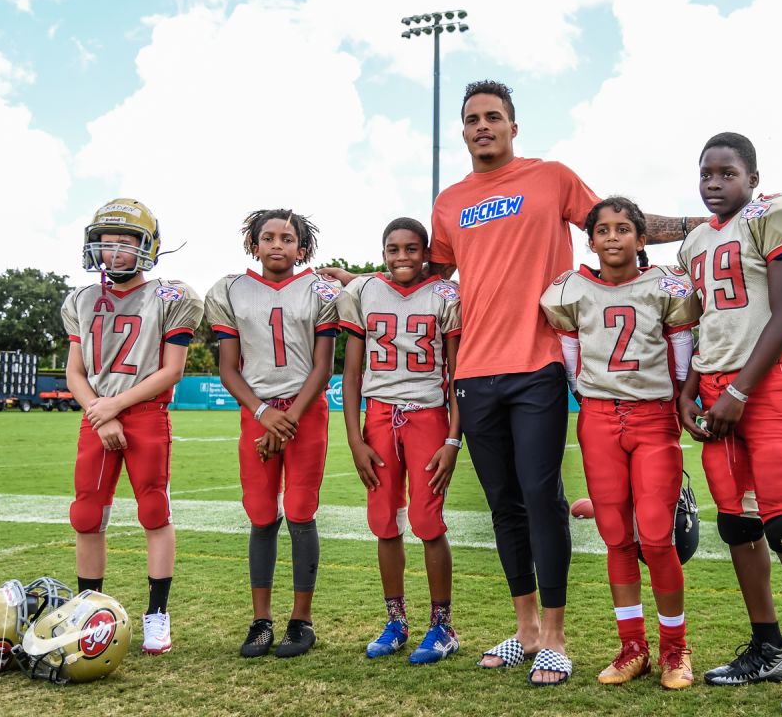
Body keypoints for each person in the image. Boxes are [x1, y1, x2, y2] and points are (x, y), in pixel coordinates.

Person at [320, 80, 702, 686]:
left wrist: (705, 224)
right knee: (504, 505)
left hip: (539, 364)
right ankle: (524, 628)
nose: (481, 126)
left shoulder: (550, 177)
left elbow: (619, 224)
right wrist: (360, 276)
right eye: (471, 119)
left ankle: (555, 635)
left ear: (514, 126)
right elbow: (428, 273)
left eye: (493, 117)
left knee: (542, 496)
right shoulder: (450, 202)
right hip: (474, 370)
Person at [676, 132, 782, 713]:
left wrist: (740, 390)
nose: (715, 183)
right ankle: (769, 646)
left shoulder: (772, 217)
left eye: (726, 173)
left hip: (764, 387)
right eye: (706, 174)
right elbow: (705, 323)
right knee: (737, 526)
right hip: (715, 385)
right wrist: (690, 391)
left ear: (752, 178)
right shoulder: (696, 240)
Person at [539, 196, 700, 689]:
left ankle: (676, 648)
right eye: (603, 229)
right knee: (617, 536)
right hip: (600, 418)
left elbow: (680, 356)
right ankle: (633, 646)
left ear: (641, 237)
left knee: (656, 536)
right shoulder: (571, 289)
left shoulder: (665, 286)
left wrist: (670, 405)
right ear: (590, 240)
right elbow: (571, 361)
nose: (612, 237)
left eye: (623, 228)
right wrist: (592, 402)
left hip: (652, 418)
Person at [61, 198, 204, 656]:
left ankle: (157, 614)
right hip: (97, 415)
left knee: (153, 511)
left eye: (127, 242)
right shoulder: (81, 299)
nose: (116, 251)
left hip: (144, 413)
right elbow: (75, 372)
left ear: (148, 246)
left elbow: (172, 370)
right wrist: (98, 412)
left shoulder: (172, 296)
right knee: (86, 514)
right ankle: (87, 609)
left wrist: (113, 406)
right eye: (107, 242)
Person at [204, 209, 340, 660]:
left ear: (302, 248)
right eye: (268, 237)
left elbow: (323, 367)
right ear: (254, 244)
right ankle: (261, 620)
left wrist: (288, 418)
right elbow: (228, 367)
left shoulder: (320, 290)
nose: (277, 245)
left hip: (306, 412)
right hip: (257, 414)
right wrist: (264, 414)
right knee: (261, 514)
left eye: (287, 238)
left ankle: (302, 619)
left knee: (301, 510)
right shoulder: (230, 291)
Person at [336, 217, 463, 665]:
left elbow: (456, 374)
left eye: (412, 248)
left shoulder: (445, 294)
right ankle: (396, 621)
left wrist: (453, 438)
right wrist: (355, 440)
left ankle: (442, 626)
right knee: (384, 522)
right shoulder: (363, 291)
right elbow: (351, 374)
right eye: (394, 249)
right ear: (383, 252)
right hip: (378, 415)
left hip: (427, 415)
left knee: (428, 522)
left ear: (427, 252)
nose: (403, 257)